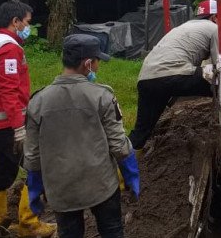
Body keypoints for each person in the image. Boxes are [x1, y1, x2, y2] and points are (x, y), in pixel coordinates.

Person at [23, 34, 138, 238]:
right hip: (101, 185)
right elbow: (119, 144)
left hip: (61, 189)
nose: (98, 66)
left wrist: (34, 188)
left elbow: (32, 154)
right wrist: (131, 176)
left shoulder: (37, 102)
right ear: (88, 64)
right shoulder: (102, 96)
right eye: (97, 62)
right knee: (112, 231)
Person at [0, 0, 56, 238]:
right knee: (36, 167)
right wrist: (19, 128)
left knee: (1, 171)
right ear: (16, 21)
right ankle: (29, 224)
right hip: (6, 123)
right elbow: (9, 90)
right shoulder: (9, 48)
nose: (28, 27)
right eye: (27, 22)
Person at [128, 0, 219, 150]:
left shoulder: (183, 27)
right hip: (173, 76)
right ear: (214, 17)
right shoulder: (214, 28)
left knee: (141, 132)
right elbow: (220, 63)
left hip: (146, 78)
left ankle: (119, 161)